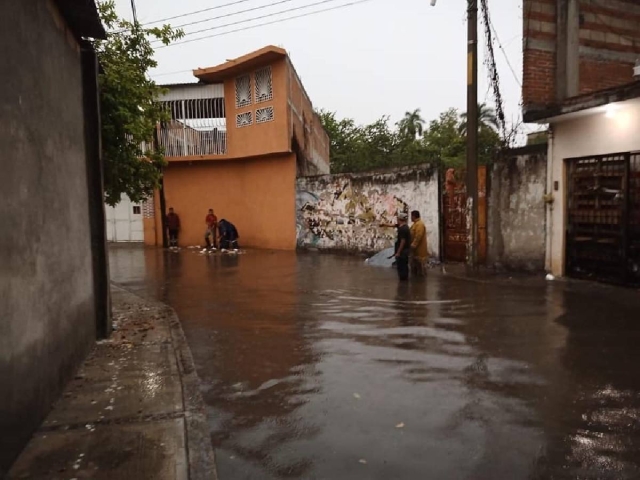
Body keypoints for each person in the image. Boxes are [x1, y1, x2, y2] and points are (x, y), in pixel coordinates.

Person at [393, 212, 411, 281]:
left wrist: (398, 252)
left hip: (402, 252)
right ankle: (404, 282)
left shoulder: (403, 229)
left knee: (401, 267)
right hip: (405, 251)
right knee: (404, 266)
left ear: (399, 219)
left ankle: (403, 283)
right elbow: (395, 225)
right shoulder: (404, 227)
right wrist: (385, 225)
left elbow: (402, 242)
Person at [410, 210, 428, 276]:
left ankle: (421, 279)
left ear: (414, 216)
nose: (410, 218)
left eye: (411, 216)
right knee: (415, 265)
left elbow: (418, 236)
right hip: (415, 251)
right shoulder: (415, 224)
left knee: (420, 265)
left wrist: (413, 244)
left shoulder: (419, 224)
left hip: (419, 250)